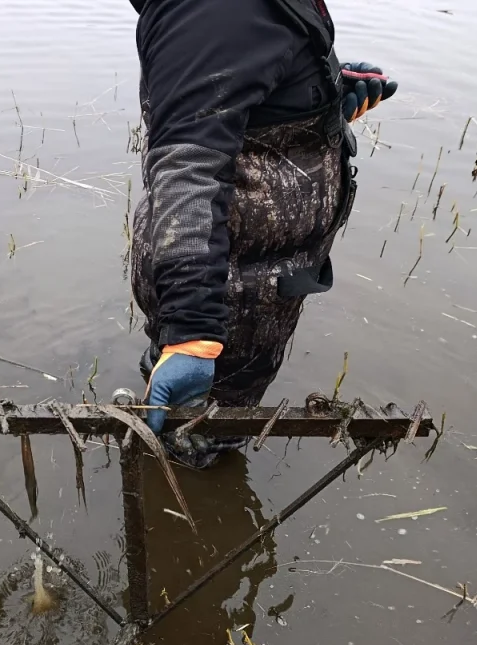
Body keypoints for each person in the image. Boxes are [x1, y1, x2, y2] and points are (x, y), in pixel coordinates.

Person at [130, 0, 398, 468]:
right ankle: (191, 507)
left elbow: (239, 77)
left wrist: (318, 88)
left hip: (255, 280)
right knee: (199, 439)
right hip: (224, 296)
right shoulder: (216, 13)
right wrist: (192, 333)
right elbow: (187, 173)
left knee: (202, 411)